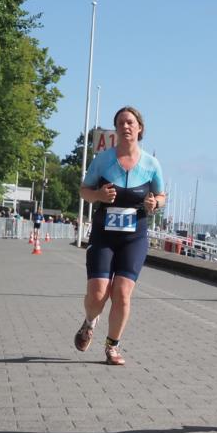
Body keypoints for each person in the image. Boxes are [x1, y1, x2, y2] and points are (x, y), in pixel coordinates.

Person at [74, 106, 165, 365]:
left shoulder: (151, 164)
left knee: (122, 293)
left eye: (130, 122)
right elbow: (84, 191)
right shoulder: (103, 160)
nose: (126, 127)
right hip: (104, 235)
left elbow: (161, 196)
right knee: (97, 295)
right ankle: (90, 321)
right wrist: (99, 196)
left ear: (140, 128)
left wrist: (154, 204)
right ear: (116, 130)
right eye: (121, 123)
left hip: (134, 237)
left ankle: (112, 346)